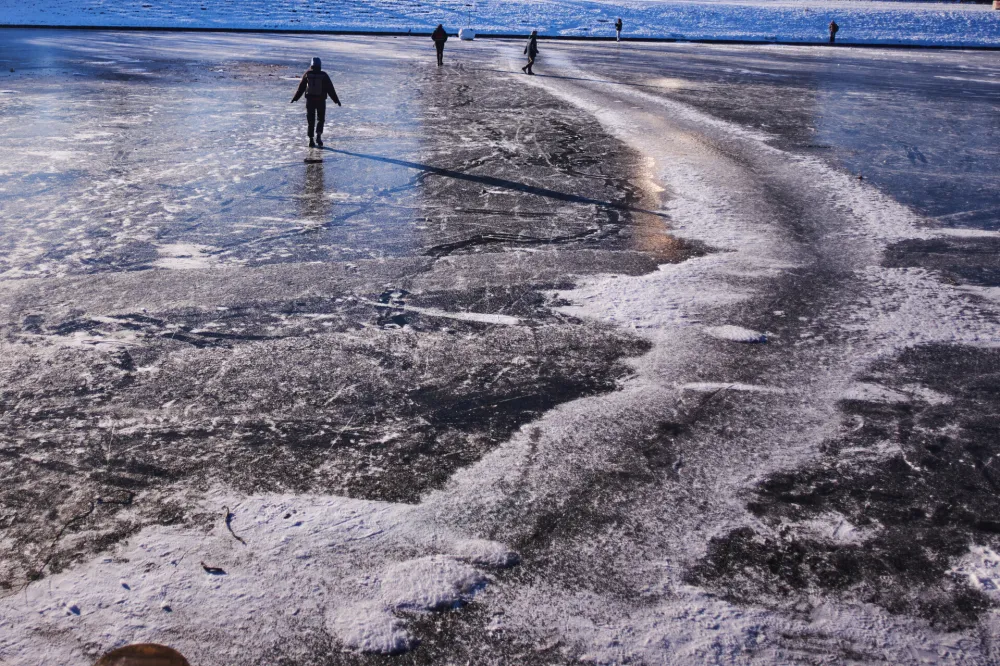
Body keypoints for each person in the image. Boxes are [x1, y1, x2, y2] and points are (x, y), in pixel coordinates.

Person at [290, 57, 341, 148]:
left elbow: (301, 88)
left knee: (311, 120)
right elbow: (330, 89)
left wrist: (295, 98)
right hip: (321, 101)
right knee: (320, 119)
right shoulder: (324, 75)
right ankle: (318, 136)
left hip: (310, 101)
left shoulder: (307, 74)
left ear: (311, 65)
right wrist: (336, 100)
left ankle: (311, 140)